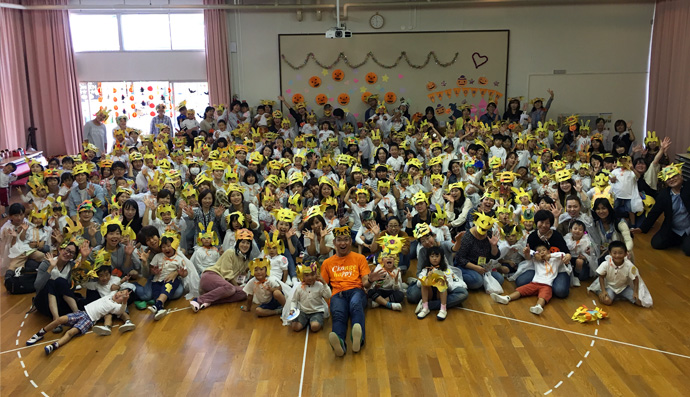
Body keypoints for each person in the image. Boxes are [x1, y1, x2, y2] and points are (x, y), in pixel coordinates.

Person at [321, 225, 385, 357]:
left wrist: (371, 280)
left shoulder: (359, 258)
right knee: (338, 314)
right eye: (339, 240)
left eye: (346, 239)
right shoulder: (327, 263)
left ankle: (358, 338)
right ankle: (339, 343)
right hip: (337, 294)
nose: (343, 243)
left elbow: (365, 284)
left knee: (355, 305)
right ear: (334, 243)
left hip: (356, 290)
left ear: (350, 241)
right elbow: (322, 285)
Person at [26, 287, 134, 355]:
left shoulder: (115, 306)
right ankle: (40, 333)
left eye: (122, 296)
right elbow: (115, 287)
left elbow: (122, 309)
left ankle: (54, 346)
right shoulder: (110, 295)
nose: (119, 295)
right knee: (60, 319)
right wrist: (122, 283)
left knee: (70, 332)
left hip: (89, 320)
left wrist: (125, 300)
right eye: (120, 292)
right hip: (82, 312)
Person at [491, 242, 571, 315]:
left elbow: (562, 254)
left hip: (547, 285)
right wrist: (532, 253)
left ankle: (538, 306)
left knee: (543, 296)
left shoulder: (555, 260)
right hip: (534, 283)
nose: (542, 252)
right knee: (520, 290)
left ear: (549, 251)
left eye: (544, 250)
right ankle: (507, 298)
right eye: (539, 251)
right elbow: (530, 254)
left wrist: (549, 256)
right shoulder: (536, 260)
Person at [632, 163, 690, 256]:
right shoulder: (664, 195)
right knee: (657, 243)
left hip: (688, 228)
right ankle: (681, 240)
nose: (672, 179)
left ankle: (685, 240)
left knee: (688, 250)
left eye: (674, 176)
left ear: (681, 175)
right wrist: (642, 228)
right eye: (668, 179)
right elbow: (655, 212)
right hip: (673, 228)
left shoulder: (688, 187)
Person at [513, 209, 572, 299]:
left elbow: (567, 253)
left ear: (551, 224)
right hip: (538, 267)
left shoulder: (557, 236)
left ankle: (545, 285)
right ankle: (545, 286)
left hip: (556, 268)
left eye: (547, 223)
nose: (544, 225)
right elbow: (528, 257)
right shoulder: (532, 236)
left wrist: (567, 257)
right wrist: (531, 254)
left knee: (561, 291)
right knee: (520, 282)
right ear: (536, 222)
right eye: (541, 222)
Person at [191, 229, 253, 311]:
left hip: (224, 287)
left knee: (245, 293)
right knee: (231, 288)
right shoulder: (230, 252)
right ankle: (198, 300)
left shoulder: (246, 260)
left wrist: (245, 274)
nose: (245, 245)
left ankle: (209, 300)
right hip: (210, 276)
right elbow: (227, 275)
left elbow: (239, 279)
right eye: (243, 242)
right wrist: (237, 287)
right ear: (238, 243)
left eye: (248, 243)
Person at [587, 241, 650, 307]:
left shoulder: (629, 266)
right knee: (607, 301)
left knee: (640, 302)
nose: (617, 256)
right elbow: (601, 277)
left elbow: (635, 278)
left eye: (620, 253)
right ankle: (599, 292)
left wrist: (635, 292)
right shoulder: (605, 264)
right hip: (610, 287)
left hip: (624, 288)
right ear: (610, 253)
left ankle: (619, 295)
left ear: (626, 254)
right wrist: (603, 291)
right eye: (614, 253)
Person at [415, 245, 467, 320]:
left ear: (441, 257)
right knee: (424, 283)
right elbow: (419, 283)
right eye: (432, 256)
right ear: (429, 258)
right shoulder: (425, 269)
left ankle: (443, 309)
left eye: (437, 256)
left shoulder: (446, 270)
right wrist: (428, 278)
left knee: (441, 282)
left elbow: (450, 287)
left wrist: (445, 280)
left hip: (440, 294)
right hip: (429, 294)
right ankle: (425, 308)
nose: (434, 258)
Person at [289, 261, 331, 333]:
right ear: (302, 276)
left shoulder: (319, 285)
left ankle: (314, 321)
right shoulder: (299, 287)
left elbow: (328, 295)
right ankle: (306, 321)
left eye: (312, 274)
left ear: (316, 274)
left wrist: (324, 282)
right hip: (303, 312)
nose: (310, 277)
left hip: (316, 311)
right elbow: (294, 300)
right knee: (295, 327)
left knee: (314, 327)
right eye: (307, 275)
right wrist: (292, 309)